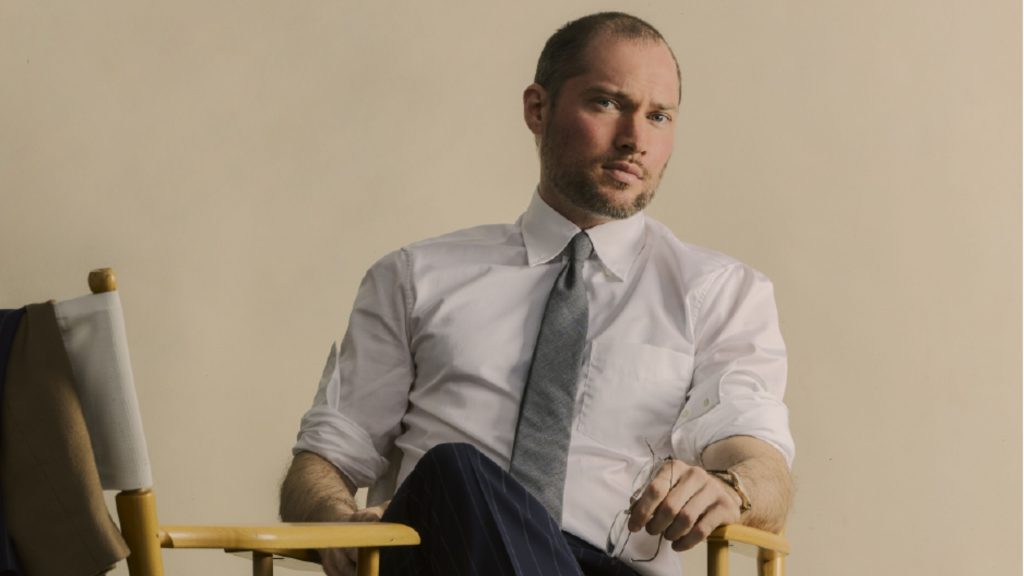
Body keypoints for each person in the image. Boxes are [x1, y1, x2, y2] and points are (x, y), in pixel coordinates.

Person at [280, 11, 794, 576]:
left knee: (461, 476)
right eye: (607, 103)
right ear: (537, 109)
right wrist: (337, 518)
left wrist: (732, 489)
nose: (635, 139)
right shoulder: (413, 278)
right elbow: (323, 461)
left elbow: (764, 466)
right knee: (457, 476)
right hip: (450, 551)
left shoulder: (719, 292)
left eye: (659, 116)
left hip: (612, 567)